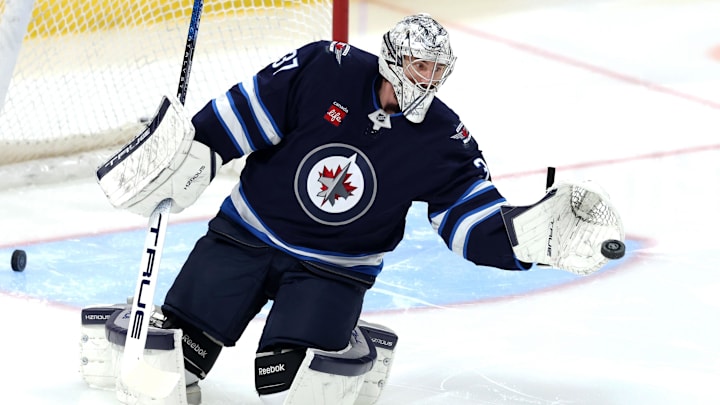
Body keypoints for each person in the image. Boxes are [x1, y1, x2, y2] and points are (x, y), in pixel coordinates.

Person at [98, 12, 623, 405]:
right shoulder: (324, 68)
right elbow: (244, 113)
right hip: (247, 235)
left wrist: (523, 238)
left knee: (301, 384)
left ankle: (350, 345)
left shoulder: (445, 136)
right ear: (394, 58)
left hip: (335, 268)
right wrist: (193, 156)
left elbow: (468, 217)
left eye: (438, 69)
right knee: (174, 362)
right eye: (421, 66)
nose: (430, 78)